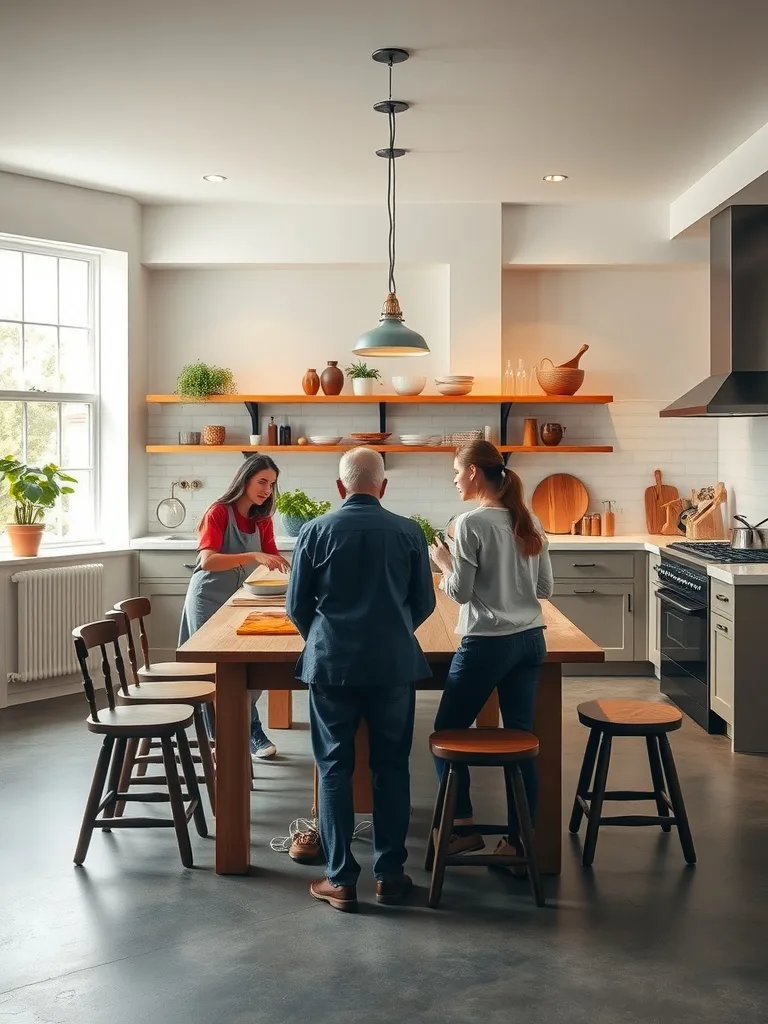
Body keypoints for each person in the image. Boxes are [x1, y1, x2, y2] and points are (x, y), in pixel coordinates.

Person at [286, 447, 435, 912]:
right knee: (391, 766)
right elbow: (425, 603)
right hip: (393, 666)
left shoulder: (314, 531)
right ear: (383, 487)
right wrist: (390, 632)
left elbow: (297, 605)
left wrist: (327, 639)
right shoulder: (410, 531)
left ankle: (340, 880)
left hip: (332, 666)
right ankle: (390, 876)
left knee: (334, 769)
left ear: (339, 487)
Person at [429, 440, 553, 860]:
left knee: (444, 735)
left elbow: (460, 593)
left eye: (456, 472)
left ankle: (462, 828)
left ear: (475, 473)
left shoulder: (469, 524)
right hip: (531, 641)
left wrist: (443, 563)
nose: (454, 480)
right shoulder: (528, 518)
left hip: (486, 644)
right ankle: (519, 846)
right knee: (523, 739)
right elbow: (544, 589)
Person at [179, 455, 290, 759]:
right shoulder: (218, 513)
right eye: (262, 481)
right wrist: (254, 556)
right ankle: (227, 735)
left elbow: (270, 556)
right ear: (245, 479)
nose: (267, 490)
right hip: (208, 598)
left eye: (272, 484)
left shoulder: (262, 519)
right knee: (215, 672)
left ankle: (243, 726)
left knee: (253, 666)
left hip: (240, 600)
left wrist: (288, 567)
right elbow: (208, 561)